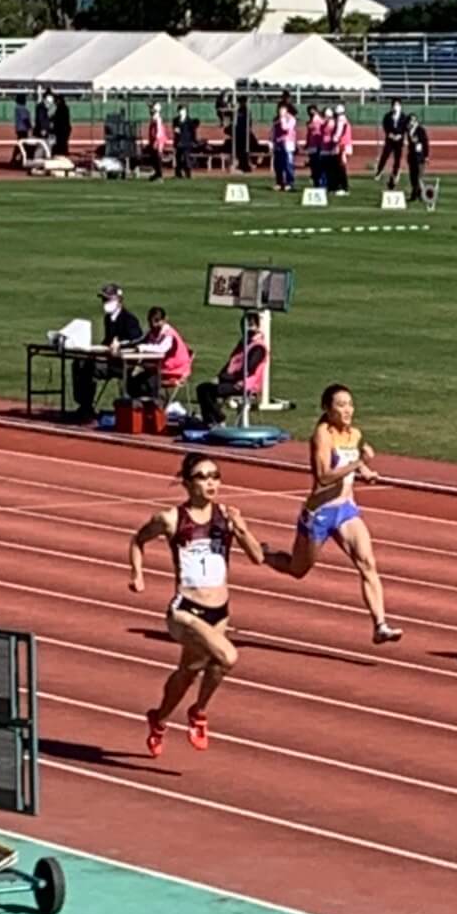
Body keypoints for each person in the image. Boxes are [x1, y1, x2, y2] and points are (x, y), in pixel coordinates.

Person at [128, 452, 264, 758]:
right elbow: (137, 541)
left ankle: (159, 718)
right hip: (185, 610)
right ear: (188, 483)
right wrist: (137, 575)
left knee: (189, 671)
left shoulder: (227, 517)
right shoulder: (171, 519)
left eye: (215, 476)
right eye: (203, 477)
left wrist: (241, 528)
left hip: (219, 611)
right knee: (227, 657)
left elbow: (257, 557)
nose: (211, 482)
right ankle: (199, 712)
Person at [264, 382, 402, 645]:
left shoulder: (355, 434)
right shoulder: (322, 435)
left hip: (346, 509)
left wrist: (366, 473)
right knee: (298, 569)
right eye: (340, 405)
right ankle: (264, 554)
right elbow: (324, 477)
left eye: (350, 404)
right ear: (327, 409)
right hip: (320, 512)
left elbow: (352, 466)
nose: (347, 410)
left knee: (368, 563)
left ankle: (380, 625)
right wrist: (359, 462)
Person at [71, 283, 144, 421]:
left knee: (90, 367)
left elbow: (137, 340)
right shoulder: (108, 319)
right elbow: (107, 342)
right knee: (79, 363)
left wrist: (120, 344)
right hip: (110, 361)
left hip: (124, 364)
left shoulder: (129, 319)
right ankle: (84, 404)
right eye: (104, 300)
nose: (104, 303)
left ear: (119, 300)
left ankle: (86, 407)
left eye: (108, 299)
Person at [196, 309, 268, 427]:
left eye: (251, 325)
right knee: (203, 388)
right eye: (245, 325)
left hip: (244, 385)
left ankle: (218, 418)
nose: (247, 328)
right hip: (233, 381)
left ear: (257, 326)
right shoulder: (243, 343)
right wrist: (219, 377)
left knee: (206, 391)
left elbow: (249, 369)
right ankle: (210, 420)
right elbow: (231, 363)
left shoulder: (258, 347)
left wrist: (226, 378)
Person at [135, 305, 193, 404]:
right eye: (151, 321)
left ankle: (154, 407)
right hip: (160, 369)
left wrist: (143, 347)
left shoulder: (169, 334)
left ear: (164, 320)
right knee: (134, 380)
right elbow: (139, 342)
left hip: (175, 371)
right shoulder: (152, 332)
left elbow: (162, 349)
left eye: (157, 321)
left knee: (149, 381)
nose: (153, 324)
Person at [375, 99, 408, 188]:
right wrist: (390, 134)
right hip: (390, 140)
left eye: (397, 105)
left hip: (399, 141)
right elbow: (385, 126)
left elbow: (405, 128)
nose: (396, 107)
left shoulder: (403, 117)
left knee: (397, 159)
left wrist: (400, 135)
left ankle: (395, 174)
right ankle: (379, 171)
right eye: (394, 105)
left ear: (400, 106)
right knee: (385, 155)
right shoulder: (388, 116)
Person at [406, 112, 430, 202]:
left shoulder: (420, 130)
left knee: (418, 177)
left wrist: (426, 156)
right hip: (412, 157)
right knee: (412, 177)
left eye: (412, 120)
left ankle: (422, 195)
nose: (410, 123)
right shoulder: (409, 130)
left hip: (420, 157)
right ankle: (416, 195)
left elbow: (425, 143)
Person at [173, 104, 197, 178]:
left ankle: (188, 174)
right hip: (178, 142)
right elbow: (175, 130)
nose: (181, 112)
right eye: (180, 110)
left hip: (186, 142)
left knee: (186, 158)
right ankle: (178, 174)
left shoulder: (189, 121)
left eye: (183, 110)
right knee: (178, 158)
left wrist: (193, 141)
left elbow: (193, 131)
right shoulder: (176, 120)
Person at [147, 101, 169, 181]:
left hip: (158, 141)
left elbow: (159, 131)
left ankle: (159, 175)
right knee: (154, 157)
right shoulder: (154, 118)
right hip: (155, 140)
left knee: (157, 157)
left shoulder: (157, 118)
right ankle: (157, 173)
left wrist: (156, 141)